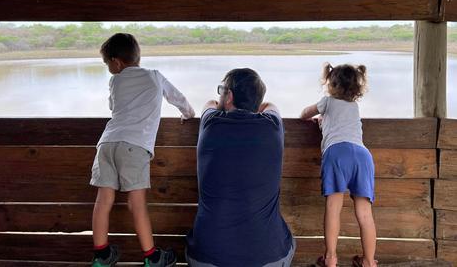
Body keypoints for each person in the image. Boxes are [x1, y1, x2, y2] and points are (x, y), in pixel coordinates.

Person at [90, 33, 195, 267]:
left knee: (103, 200)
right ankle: (151, 257)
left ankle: (102, 255)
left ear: (117, 62)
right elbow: (178, 98)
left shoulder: (115, 81)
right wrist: (188, 114)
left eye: (107, 64)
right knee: (135, 203)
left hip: (106, 144)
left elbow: (113, 107)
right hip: (134, 146)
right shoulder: (154, 76)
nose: (109, 69)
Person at [186, 68, 294, 267]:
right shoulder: (272, 126)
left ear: (229, 97)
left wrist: (221, 102)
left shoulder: (211, 123)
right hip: (267, 256)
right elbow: (270, 105)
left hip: (208, 256)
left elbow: (209, 104)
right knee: (286, 239)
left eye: (222, 90)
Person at [300, 63, 377, 267]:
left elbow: (304, 114)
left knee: (334, 208)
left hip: (337, 153)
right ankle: (369, 261)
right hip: (362, 155)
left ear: (331, 83)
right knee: (365, 213)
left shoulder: (327, 101)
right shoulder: (354, 106)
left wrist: (321, 118)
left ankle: (331, 258)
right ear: (357, 88)